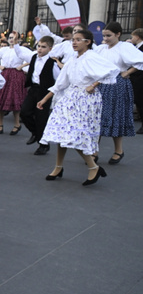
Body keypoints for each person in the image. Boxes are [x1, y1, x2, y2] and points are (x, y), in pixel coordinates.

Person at [38, 29, 118, 185]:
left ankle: (93, 167)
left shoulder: (92, 57)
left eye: (78, 39)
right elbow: (60, 83)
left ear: (87, 42)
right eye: (73, 40)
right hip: (69, 98)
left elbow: (112, 70)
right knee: (62, 132)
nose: (74, 42)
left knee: (76, 135)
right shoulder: (72, 59)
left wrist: (94, 84)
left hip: (86, 99)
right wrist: (44, 99)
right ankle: (58, 167)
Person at [95, 21, 143, 164]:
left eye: (109, 35)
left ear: (118, 34)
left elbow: (140, 60)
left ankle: (119, 150)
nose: (106, 39)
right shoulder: (101, 48)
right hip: (101, 84)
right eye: (104, 35)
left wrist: (127, 72)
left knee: (116, 117)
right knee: (97, 118)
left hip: (117, 85)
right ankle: (94, 151)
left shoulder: (125, 47)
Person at [13, 36, 59, 155]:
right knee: (24, 112)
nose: (40, 49)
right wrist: (16, 42)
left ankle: (43, 144)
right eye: (39, 46)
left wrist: (52, 95)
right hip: (33, 89)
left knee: (41, 118)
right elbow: (20, 54)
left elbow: (58, 79)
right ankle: (35, 133)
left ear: (50, 48)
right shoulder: (33, 57)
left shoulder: (52, 63)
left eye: (43, 47)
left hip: (44, 92)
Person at [0, 31, 26, 134]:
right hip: (5, 74)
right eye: (10, 37)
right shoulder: (4, 50)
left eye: (14, 38)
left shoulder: (22, 49)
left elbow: (32, 58)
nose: (11, 39)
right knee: (2, 99)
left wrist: (22, 66)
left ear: (19, 39)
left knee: (15, 100)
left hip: (16, 74)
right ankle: (0, 123)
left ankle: (17, 124)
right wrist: (0, 67)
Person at [128, 28, 143, 134]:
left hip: (140, 78)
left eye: (133, 36)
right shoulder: (136, 47)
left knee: (140, 101)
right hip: (136, 78)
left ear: (137, 37)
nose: (131, 38)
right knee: (138, 101)